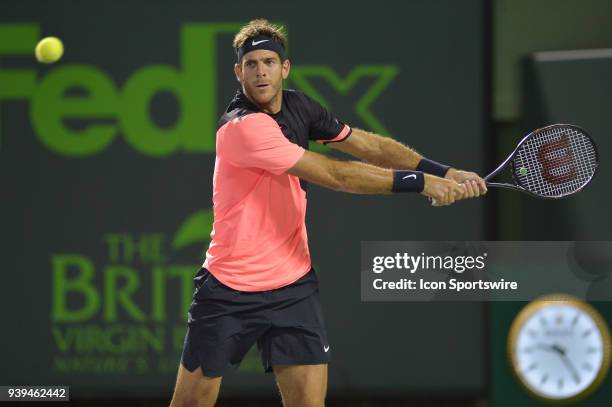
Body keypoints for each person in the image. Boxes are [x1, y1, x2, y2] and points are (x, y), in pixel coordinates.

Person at [169, 18, 487, 407]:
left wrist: (443, 172)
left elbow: (369, 146)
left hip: (292, 287)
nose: (261, 71)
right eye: (250, 64)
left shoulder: (301, 106)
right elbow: (336, 175)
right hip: (229, 290)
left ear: (285, 68)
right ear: (238, 73)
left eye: (269, 61)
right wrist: (420, 184)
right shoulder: (242, 128)